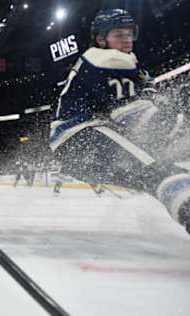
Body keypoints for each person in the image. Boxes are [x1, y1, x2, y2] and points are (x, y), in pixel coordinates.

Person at [50, 9, 190, 234]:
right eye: (118, 35)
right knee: (159, 172)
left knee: (157, 177)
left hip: (75, 146)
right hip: (80, 136)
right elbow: (130, 115)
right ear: (100, 39)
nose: (126, 40)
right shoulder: (107, 59)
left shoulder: (109, 59)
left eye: (129, 34)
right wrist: (178, 123)